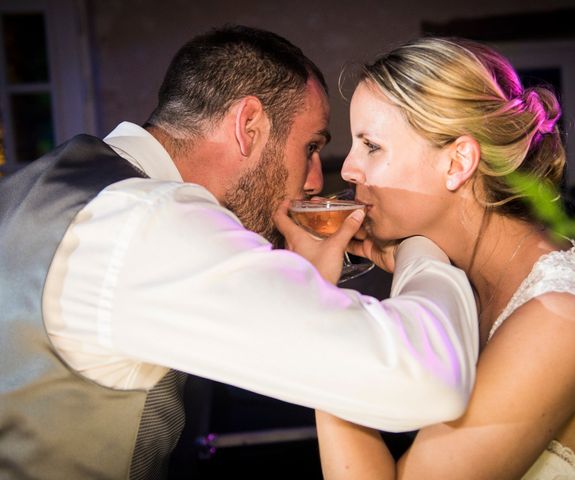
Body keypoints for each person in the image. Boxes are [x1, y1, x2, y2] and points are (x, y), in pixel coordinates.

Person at [0, 26, 480, 479]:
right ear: (249, 125)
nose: (317, 180)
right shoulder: (148, 224)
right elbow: (428, 377)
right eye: (310, 147)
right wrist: (423, 246)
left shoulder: (44, 189)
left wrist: (308, 293)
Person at [287, 36, 575, 479]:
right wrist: (413, 253)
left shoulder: (558, 322)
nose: (349, 169)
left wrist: (319, 308)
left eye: (371, 146)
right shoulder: (481, 279)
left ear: (457, 163)